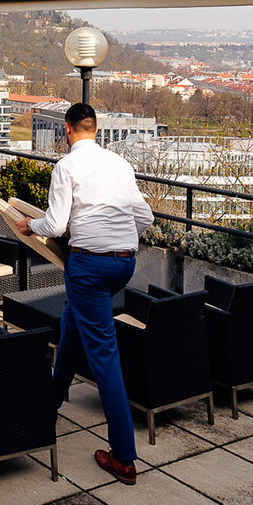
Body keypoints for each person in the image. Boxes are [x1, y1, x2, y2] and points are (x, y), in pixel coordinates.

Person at [28, 101, 153, 485]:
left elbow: (54, 224)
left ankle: (124, 458)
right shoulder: (119, 164)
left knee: (104, 359)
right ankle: (50, 403)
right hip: (123, 265)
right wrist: (117, 238)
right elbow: (145, 217)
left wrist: (29, 224)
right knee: (72, 323)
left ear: (67, 129)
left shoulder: (67, 166)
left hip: (89, 268)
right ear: (95, 129)